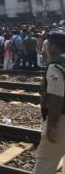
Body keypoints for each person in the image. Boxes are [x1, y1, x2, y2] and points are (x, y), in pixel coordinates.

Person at [33, 31, 65, 174]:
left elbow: (57, 99)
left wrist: (51, 126)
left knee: (45, 160)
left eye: (48, 44)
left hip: (61, 120)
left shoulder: (56, 67)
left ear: (54, 47)